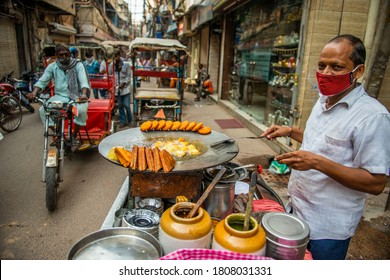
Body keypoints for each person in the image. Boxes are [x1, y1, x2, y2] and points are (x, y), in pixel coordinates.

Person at [260, 34, 390, 260]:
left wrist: (317, 163)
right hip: (297, 208)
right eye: (322, 65)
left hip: (328, 228)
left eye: (336, 67)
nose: (326, 73)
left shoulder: (373, 117)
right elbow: (324, 142)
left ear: (358, 72)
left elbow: (376, 182)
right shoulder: (323, 100)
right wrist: (291, 131)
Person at [27, 43, 90, 151]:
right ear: (56, 55)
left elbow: (83, 80)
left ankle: (74, 136)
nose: (64, 57)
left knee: (82, 111)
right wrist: (34, 93)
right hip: (60, 96)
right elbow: (43, 80)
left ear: (70, 54)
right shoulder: (53, 67)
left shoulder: (78, 64)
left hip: (77, 96)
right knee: (43, 110)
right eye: (61, 55)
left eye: (66, 54)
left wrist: (84, 94)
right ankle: (57, 135)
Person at [114, 50, 132, 128]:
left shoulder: (126, 65)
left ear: (119, 56)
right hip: (117, 89)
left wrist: (124, 83)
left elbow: (128, 76)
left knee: (127, 105)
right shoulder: (112, 65)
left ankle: (130, 120)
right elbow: (110, 75)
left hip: (125, 88)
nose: (115, 58)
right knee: (120, 105)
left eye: (116, 56)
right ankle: (122, 121)